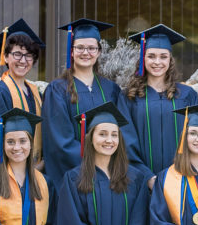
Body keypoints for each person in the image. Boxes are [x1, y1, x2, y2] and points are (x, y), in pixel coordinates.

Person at [43, 18, 136, 185]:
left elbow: (123, 131)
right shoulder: (57, 90)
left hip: (110, 174)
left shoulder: (111, 90)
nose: (86, 52)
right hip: (75, 175)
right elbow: (60, 140)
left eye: (92, 48)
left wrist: (111, 165)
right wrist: (93, 165)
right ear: (71, 51)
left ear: (99, 52)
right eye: (80, 47)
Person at [124, 24, 198, 187]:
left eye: (163, 56)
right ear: (143, 58)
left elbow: (196, 137)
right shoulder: (129, 97)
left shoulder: (186, 95)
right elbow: (125, 140)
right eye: (151, 56)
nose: (157, 62)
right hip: (140, 181)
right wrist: (147, 177)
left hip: (183, 180)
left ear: (170, 60)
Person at [0, 19, 46, 169]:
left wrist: (41, 164)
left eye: (29, 55)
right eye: (17, 54)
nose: (23, 60)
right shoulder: (0, 94)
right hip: (9, 173)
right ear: (6, 56)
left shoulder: (36, 93)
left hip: (36, 170)